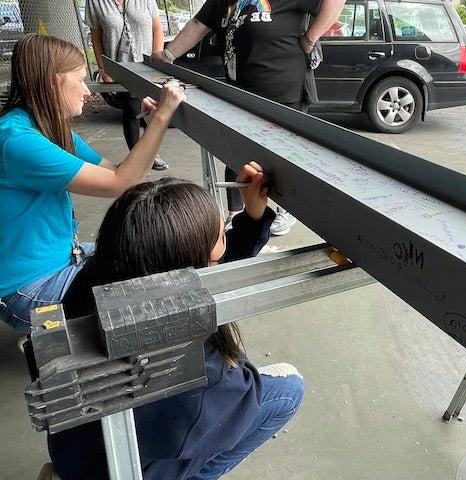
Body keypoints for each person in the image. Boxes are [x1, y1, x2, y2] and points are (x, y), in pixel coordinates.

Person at [44, 166, 304, 480]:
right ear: (194, 262)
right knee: (289, 389)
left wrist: (250, 218)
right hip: (125, 467)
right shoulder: (196, 371)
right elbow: (238, 396)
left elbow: (204, 269)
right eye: (221, 233)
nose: (224, 233)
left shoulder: (95, 280)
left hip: (74, 453)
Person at [0, 34, 185, 333]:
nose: (87, 91)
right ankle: (52, 332)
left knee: (147, 255)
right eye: (80, 80)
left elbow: (120, 171)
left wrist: (152, 126)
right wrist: (163, 117)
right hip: (30, 290)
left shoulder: (47, 126)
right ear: (53, 82)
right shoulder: (17, 141)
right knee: (145, 292)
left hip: (64, 258)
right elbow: (120, 183)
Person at [153, 0, 346, 235]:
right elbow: (197, 23)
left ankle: (288, 210)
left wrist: (310, 37)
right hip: (241, 91)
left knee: (282, 160)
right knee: (235, 154)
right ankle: (235, 215)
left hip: (282, 90)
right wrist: (168, 54)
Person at [86, 0, 169, 170]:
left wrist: (157, 57)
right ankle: (137, 160)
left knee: (150, 109)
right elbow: (96, 37)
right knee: (132, 109)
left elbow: (157, 29)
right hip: (120, 68)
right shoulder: (95, 2)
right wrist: (103, 68)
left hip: (146, 67)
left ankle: (149, 153)